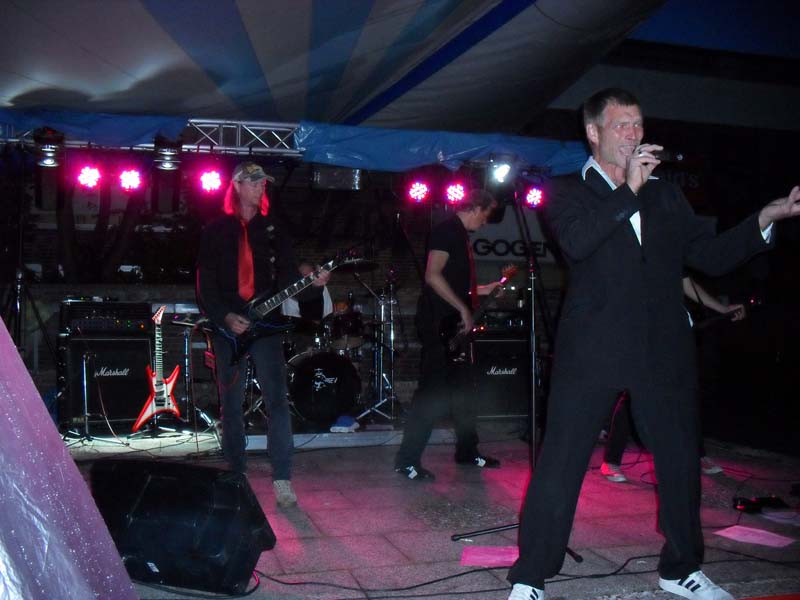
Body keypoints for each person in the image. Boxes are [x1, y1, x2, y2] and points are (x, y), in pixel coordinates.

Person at [507, 87, 799, 600]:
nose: (634, 134)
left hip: (663, 346)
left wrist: (763, 220)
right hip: (593, 347)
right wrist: (628, 190)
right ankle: (532, 574)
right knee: (561, 462)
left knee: (680, 459)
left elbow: (708, 256)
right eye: (622, 125)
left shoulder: (665, 194)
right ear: (593, 132)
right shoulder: (566, 190)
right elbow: (578, 242)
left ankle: (681, 567)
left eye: (638, 124)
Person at [196, 161, 329, 508]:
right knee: (231, 403)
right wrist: (225, 316)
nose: (260, 188)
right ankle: (236, 473)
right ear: (237, 185)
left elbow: (290, 283)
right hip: (228, 328)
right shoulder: (215, 230)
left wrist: (314, 285)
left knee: (277, 400)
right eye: (254, 183)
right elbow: (205, 284)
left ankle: (283, 477)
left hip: (266, 326)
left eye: (263, 184)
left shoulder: (274, 231)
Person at [394, 189, 504, 480]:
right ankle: (407, 460)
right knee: (431, 392)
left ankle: (467, 451)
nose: (485, 222)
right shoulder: (446, 230)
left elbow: (455, 284)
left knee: (465, 391)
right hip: (439, 324)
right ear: (475, 207)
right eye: (485, 215)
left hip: (452, 323)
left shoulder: (459, 235)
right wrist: (463, 309)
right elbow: (432, 275)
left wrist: (484, 290)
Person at [600, 277, 746, 483]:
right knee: (635, 391)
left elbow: (684, 280)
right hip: (640, 322)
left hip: (674, 325)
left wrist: (721, 308)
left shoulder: (671, 256)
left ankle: (697, 454)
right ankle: (611, 459)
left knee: (686, 392)